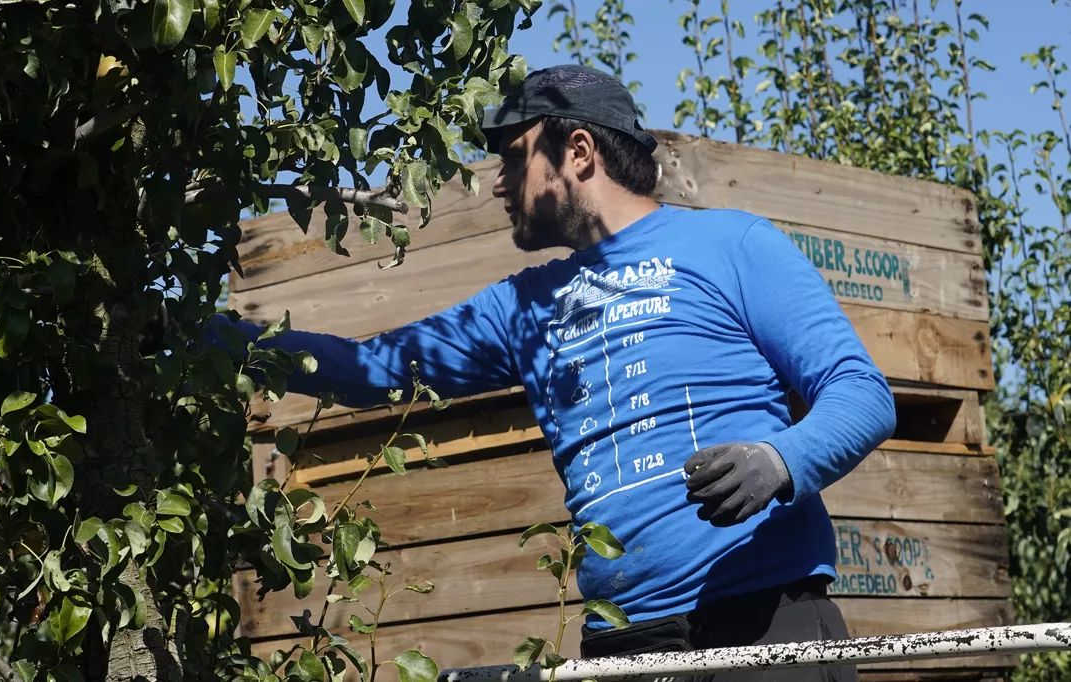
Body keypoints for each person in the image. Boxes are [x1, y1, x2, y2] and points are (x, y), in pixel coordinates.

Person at [209, 63, 896, 682]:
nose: (499, 183)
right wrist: (211, 338)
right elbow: (370, 372)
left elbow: (861, 392)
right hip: (625, 642)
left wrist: (782, 459)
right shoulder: (524, 306)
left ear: (579, 151)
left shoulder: (731, 245)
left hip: (763, 619)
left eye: (514, 157)